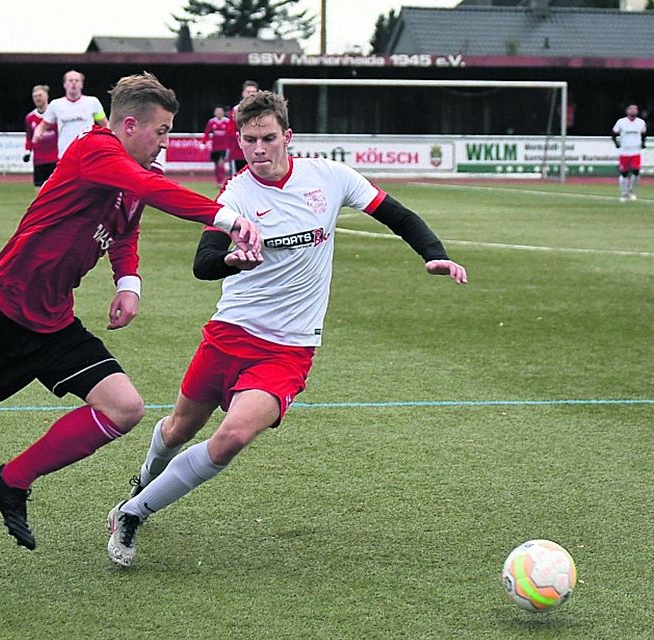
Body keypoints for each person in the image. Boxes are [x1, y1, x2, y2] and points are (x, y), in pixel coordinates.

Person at [0, 72, 261, 574]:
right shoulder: (94, 150)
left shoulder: (137, 170)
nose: (166, 140)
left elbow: (125, 229)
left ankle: (11, 481)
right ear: (130, 125)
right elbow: (146, 187)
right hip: (1, 311)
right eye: (161, 130)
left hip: (55, 321)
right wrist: (226, 219)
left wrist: (128, 283)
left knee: (125, 408)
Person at [106, 90, 468, 568]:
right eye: (250, 140)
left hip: (288, 349)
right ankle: (145, 481)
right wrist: (233, 259)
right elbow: (204, 263)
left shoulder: (330, 178)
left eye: (268, 138)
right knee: (175, 431)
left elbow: (396, 215)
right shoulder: (236, 193)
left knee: (232, 437)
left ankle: (133, 513)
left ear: (288, 137)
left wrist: (434, 252)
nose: (259, 150)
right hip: (229, 334)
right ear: (239, 141)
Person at [33, 70, 108, 159]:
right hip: (65, 155)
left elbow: (105, 124)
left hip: (87, 154)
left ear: (81, 85)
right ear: (65, 85)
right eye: (70, 80)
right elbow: (43, 126)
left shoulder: (92, 102)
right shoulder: (56, 104)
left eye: (77, 80)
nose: (74, 83)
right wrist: (37, 133)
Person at [24, 84, 59, 189]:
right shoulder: (30, 118)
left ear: (46, 96)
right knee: (39, 192)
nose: (37, 98)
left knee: (56, 191)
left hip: (55, 159)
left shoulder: (56, 115)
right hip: (39, 160)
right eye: (35, 96)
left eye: (40, 95)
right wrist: (27, 151)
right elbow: (29, 138)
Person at [611, 104, 647, 202]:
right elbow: (614, 133)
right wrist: (617, 144)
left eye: (635, 109)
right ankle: (623, 192)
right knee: (624, 173)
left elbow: (644, 134)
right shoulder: (621, 122)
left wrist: (643, 144)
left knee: (636, 170)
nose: (633, 110)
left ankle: (632, 190)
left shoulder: (641, 122)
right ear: (627, 110)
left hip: (636, 150)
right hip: (624, 151)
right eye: (631, 108)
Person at [227, 80, 259, 174]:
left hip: (257, 151)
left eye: (253, 92)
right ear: (243, 93)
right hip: (239, 152)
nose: (251, 94)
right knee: (238, 179)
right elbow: (230, 130)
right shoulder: (236, 110)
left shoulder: (263, 110)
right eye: (248, 92)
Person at [202, 105, 233, 186]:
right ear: (214, 113)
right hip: (215, 147)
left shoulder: (227, 121)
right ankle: (217, 180)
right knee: (216, 165)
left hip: (224, 146)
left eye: (220, 111)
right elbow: (207, 132)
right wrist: (204, 143)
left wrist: (230, 144)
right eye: (217, 111)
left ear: (223, 113)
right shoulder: (211, 122)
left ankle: (221, 180)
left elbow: (231, 134)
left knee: (221, 163)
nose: (218, 113)